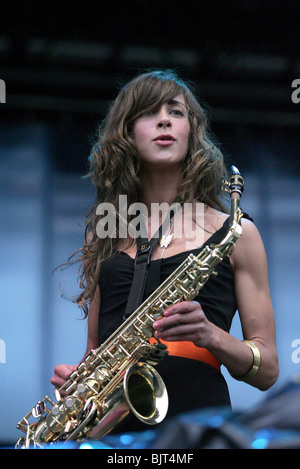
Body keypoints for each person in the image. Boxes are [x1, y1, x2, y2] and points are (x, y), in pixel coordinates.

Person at [50, 69, 279, 434]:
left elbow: (267, 370)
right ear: (126, 133)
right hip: (113, 432)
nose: (163, 121)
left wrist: (211, 335)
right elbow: (94, 353)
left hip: (197, 426)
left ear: (191, 131)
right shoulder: (104, 233)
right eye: (148, 112)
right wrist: (77, 386)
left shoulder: (237, 232)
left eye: (175, 112)